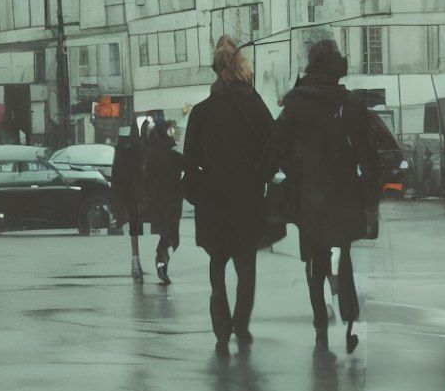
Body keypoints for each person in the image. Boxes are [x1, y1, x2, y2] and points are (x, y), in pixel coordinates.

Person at [272, 35, 391, 355]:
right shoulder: (350, 102)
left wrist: (291, 172)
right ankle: (350, 320)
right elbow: (369, 157)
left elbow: (275, 145)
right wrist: (370, 200)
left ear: (311, 65)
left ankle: (319, 321)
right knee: (343, 255)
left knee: (315, 260)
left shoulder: (296, 102)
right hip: (344, 196)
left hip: (309, 197)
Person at [180, 40, 276, 349]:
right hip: (247, 197)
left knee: (217, 260)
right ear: (241, 67)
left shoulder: (202, 111)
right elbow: (274, 145)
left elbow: (189, 161)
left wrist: (197, 193)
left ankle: (221, 326)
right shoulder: (254, 104)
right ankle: (241, 324)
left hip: (213, 197)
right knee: (245, 264)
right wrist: (260, 177)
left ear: (216, 69)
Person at [111, 113, 181, 282]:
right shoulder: (135, 147)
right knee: (155, 225)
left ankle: (153, 262)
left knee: (165, 228)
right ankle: (143, 260)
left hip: (156, 193)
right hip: (144, 192)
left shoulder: (160, 148)